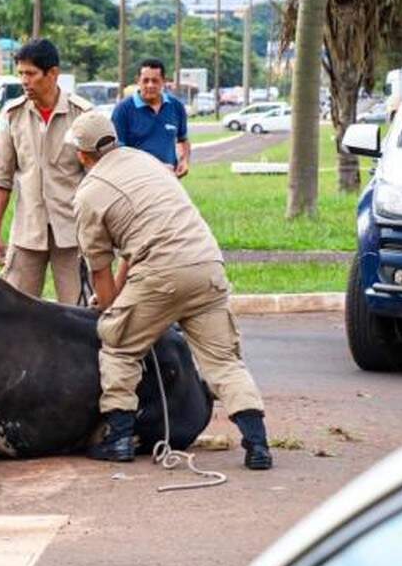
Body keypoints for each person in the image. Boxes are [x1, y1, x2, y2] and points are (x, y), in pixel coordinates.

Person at [69, 111, 272, 470]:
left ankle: (118, 437)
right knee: (224, 361)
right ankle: (257, 444)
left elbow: (99, 269)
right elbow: (137, 243)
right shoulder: (144, 161)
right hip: (208, 265)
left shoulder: (89, 193)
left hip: (162, 273)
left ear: (81, 154)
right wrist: (122, 294)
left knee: (117, 345)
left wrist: (113, 310)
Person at [0, 38, 92, 304]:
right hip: (27, 231)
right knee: (12, 312)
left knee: (83, 311)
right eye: (21, 73)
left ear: (53, 73)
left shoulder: (83, 115)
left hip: (74, 233)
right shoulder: (12, 115)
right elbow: (1, 177)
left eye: (31, 73)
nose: (24, 80)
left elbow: (99, 178)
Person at [111, 58, 191, 176]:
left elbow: (183, 139)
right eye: (145, 81)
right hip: (136, 180)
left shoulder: (176, 106)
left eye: (155, 81)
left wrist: (184, 161)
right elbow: (117, 152)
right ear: (138, 81)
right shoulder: (123, 110)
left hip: (169, 179)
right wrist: (154, 168)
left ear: (163, 81)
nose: (150, 85)